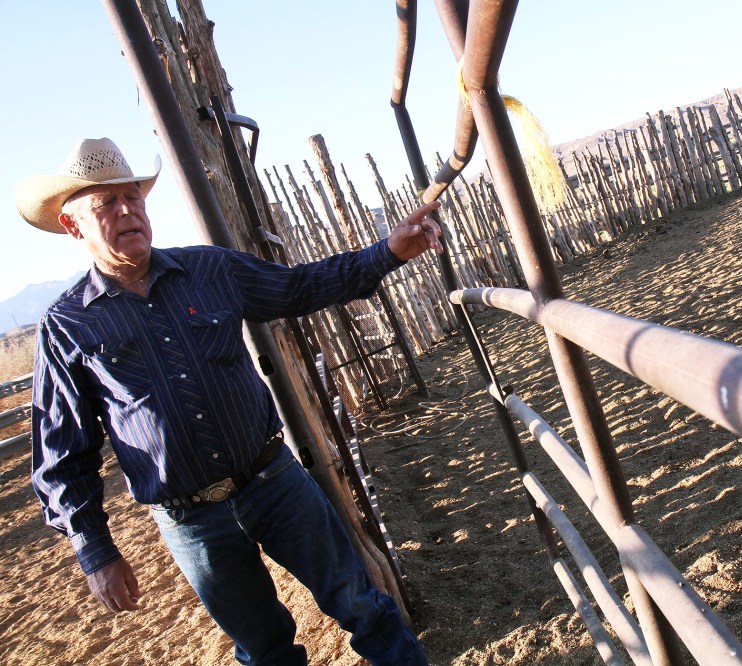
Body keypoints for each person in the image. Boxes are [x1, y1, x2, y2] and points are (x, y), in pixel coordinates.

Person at [15, 137, 442, 665]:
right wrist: (95, 549)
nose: (128, 211)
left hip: (276, 484)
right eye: (105, 203)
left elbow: (299, 287)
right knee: (264, 651)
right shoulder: (69, 325)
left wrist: (387, 253)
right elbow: (62, 454)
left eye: (134, 198)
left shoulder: (210, 270)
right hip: (191, 522)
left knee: (361, 605)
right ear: (72, 225)